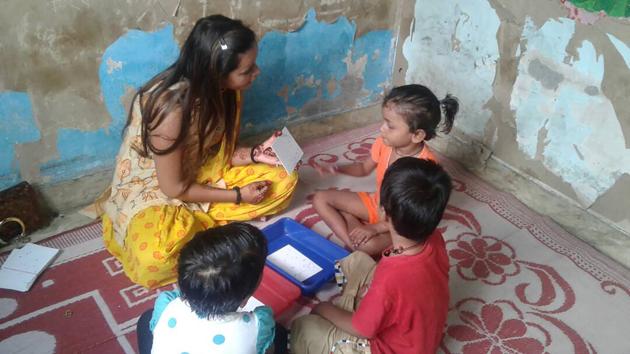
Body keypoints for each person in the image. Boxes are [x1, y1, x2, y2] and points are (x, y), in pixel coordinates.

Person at [96, 15, 298, 288]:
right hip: (155, 190)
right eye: (247, 70)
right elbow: (174, 188)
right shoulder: (171, 112)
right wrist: (238, 196)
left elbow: (213, 153)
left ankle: (204, 223)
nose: (257, 73)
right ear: (217, 72)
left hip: (200, 174)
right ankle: (216, 217)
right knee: (155, 258)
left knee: (285, 180)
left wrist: (254, 154)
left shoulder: (223, 90)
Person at [291, 157, 452, 354]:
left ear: (383, 212)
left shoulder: (391, 277)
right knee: (357, 260)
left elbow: (363, 330)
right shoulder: (435, 238)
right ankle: (357, 305)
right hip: (416, 331)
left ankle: (347, 308)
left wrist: (324, 309)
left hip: (388, 348)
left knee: (304, 328)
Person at [312, 84, 458, 256]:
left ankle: (356, 235)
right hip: (377, 204)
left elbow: (415, 215)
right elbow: (363, 168)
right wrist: (337, 168)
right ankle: (352, 243)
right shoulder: (384, 144)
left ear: (417, 135)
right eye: (384, 121)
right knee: (320, 198)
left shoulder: (426, 167)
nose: (382, 129)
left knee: (370, 247)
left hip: (401, 220)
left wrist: (376, 229)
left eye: (390, 125)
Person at [136, 222, 280, 354]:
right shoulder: (259, 325)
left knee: (147, 318)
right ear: (246, 298)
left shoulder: (167, 305)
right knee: (279, 333)